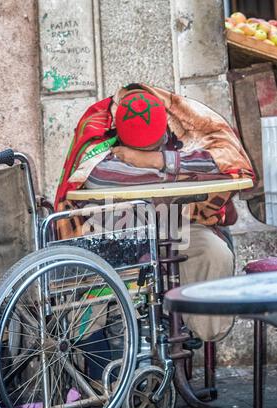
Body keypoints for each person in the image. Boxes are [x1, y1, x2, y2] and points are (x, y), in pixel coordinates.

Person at [55, 83, 255, 342]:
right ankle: (99, 356)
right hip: (116, 226)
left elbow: (230, 165)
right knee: (93, 277)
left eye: (154, 145)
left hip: (180, 220)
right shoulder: (98, 125)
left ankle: (193, 330)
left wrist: (156, 161)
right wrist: (181, 172)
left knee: (212, 253)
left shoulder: (185, 118)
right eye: (140, 148)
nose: (148, 151)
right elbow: (100, 176)